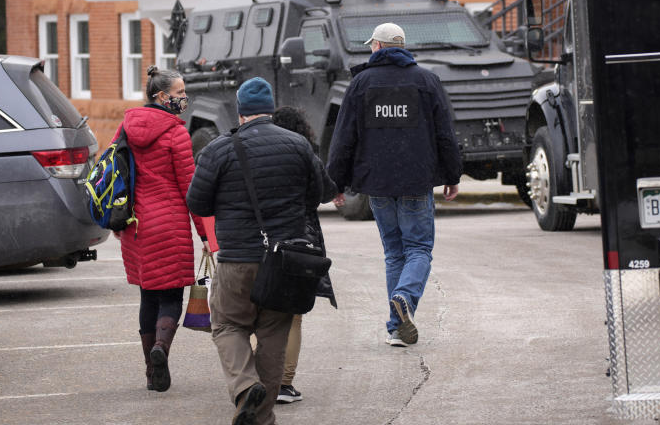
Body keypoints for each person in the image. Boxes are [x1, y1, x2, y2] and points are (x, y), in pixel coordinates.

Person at [187, 78, 333, 425]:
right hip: (284, 263)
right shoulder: (298, 145)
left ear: (240, 111)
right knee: (273, 337)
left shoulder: (218, 149)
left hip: (237, 259)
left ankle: (244, 386)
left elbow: (197, 201)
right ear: (270, 108)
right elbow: (324, 192)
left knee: (226, 326)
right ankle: (262, 416)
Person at [326, 22, 462, 347]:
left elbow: (343, 138)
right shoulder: (427, 81)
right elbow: (445, 133)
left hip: (378, 183)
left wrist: (335, 183)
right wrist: (453, 175)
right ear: (401, 46)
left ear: (378, 47)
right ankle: (403, 301)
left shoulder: (360, 84)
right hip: (417, 180)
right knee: (418, 249)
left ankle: (395, 328)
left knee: (394, 253)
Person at [113, 65, 211, 392]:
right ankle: (161, 349)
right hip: (169, 225)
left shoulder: (125, 127)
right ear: (162, 96)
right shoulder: (175, 133)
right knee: (170, 297)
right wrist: (205, 234)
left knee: (147, 296)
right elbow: (190, 189)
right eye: (180, 93)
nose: (184, 98)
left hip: (136, 226)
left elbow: (114, 171)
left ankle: (151, 372)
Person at [269, 106, 337, 405]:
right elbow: (325, 191)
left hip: (264, 238)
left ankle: (263, 380)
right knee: (293, 316)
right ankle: (284, 384)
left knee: (264, 312)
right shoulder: (304, 152)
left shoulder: (260, 152)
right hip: (299, 238)